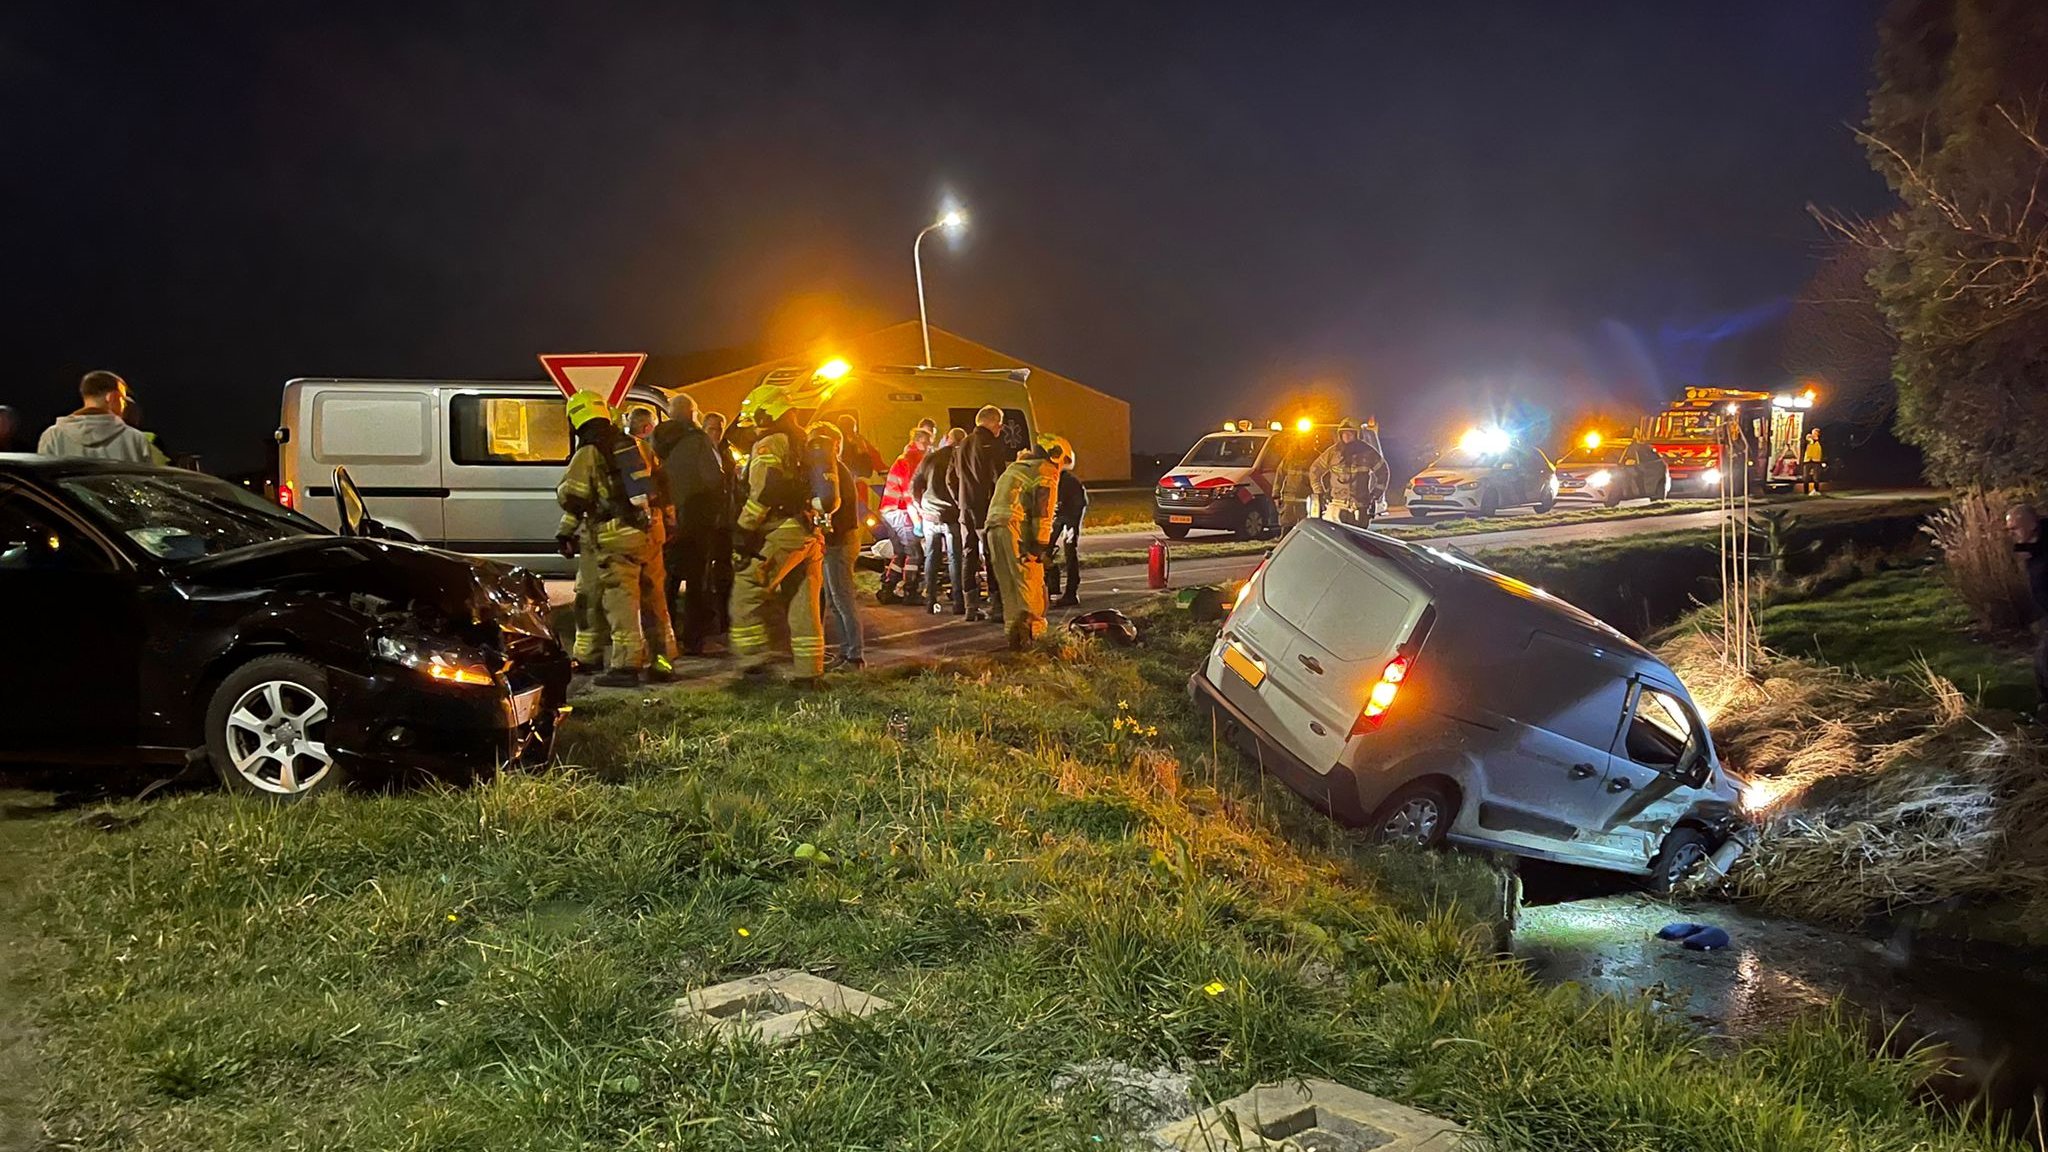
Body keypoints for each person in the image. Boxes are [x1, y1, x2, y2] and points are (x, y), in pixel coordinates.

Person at [555, 391, 666, 687]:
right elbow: (662, 487)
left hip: (615, 538)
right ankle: (662, 660)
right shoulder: (638, 446)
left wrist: (565, 529)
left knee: (620, 599)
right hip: (650, 533)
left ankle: (626, 666)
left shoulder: (589, 453)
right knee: (653, 596)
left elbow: (574, 496)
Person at [729, 382, 828, 680]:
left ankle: (754, 664)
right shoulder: (805, 440)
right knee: (804, 604)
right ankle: (809, 674)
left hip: (780, 532)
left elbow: (763, 492)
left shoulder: (770, 444)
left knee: (746, 594)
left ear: (766, 414)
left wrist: (744, 529)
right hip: (810, 533)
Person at [652, 395, 729, 655]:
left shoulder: (656, 440)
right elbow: (713, 479)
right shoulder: (698, 441)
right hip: (697, 520)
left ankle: (665, 638)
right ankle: (694, 640)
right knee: (697, 582)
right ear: (693, 413)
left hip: (668, 520)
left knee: (667, 582)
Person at [986, 433, 1073, 650]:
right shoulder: (1045, 471)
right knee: (1030, 585)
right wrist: (1039, 547)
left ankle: (1013, 638)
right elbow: (1042, 513)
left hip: (994, 529)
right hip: (1016, 531)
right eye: (1062, 464)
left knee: (1009, 588)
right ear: (1056, 456)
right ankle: (1034, 641)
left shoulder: (1016, 467)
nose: (1060, 470)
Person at [809, 422, 867, 670]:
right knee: (835, 600)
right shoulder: (834, 470)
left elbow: (832, 506)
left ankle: (855, 656)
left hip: (840, 542)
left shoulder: (834, 472)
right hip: (837, 541)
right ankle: (846, 653)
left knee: (842, 599)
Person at [953, 405, 1011, 622]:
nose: (1001, 428)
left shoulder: (963, 443)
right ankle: (997, 605)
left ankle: (971, 605)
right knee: (992, 554)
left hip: (965, 507)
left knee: (969, 553)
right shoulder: (990, 444)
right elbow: (999, 478)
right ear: (993, 422)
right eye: (1000, 424)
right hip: (984, 508)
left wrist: (961, 500)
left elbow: (954, 476)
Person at [38, 371, 162, 462]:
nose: (124, 405)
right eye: (122, 399)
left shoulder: (51, 436)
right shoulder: (134, 439)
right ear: (111, 397)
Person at [914, 427, 968, 615]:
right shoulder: (959, 458)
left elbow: (916, 484)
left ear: (947, 438)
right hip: (950, 515)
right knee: (955, 557)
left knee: (931, 556)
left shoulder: (931, 457)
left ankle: (930, 600)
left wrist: (921, 505)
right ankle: (958, 602)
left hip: (929, 514)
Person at [878, 426, 934, 604]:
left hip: (889, 510)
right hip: (900, 512)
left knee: (900, 553)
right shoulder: (911, 460)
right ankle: (910, 591)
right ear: (918, 441)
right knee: (914, 553)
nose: (928, 447)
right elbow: (910, 494)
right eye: (926, 443)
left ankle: (888, 588)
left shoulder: (904, 459)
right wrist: (917, 521)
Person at [1308, 419, 1389, 529]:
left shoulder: (1367, 452)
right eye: (1344, 433)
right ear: (1340, 435)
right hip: (1336, 505)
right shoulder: (1332, 453)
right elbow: (1315, 470)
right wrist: (1319, 492)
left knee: (1358, 540)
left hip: (1359, 507)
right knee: (1336, 539)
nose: (1346, 436)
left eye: (1350, 433)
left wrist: (1375, 495)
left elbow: (1383, 472)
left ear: (1356, 434)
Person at [2006, 504, 2048, 716]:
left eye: (2015, 528)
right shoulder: (2033, 546)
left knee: (2044, 660)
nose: (2011, 533)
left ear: (2032, 524)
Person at [1046, 452, 1087, 608]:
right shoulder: (1054, 478)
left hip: (1072, 512)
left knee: (1069, 548)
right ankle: (1051, 586)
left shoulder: (1067, 481)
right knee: (1047, 548)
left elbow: (1073, 504)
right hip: (1062, 512)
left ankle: (1071, 592)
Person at [1274, 439, 1315, 531]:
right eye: (1302, 441)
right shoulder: (1289, 458)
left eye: (1307, 441)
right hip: (1289, 498)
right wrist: (1276, 495)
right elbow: (1279, 475)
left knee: (1306, 524)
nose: (1304, 444)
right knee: (1286, 524)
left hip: (1307, 498)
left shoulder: (1316, 457)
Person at [836, 413, 888, 479]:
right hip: (854, 476)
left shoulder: (855, 440)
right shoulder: (857, 439)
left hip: (856, 476)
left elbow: (870, 456)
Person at [1801, 428, 1825, 495]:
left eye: (1815, 433)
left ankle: (1816, 491)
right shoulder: (1808, 439)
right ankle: (1805, 492)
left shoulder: (1820, 441)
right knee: (1806, 477)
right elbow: (1804, 443)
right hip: (1807, 460)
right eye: (1813, 432)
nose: (1813, 434)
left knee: (1816, 477)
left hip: (1816, 460)